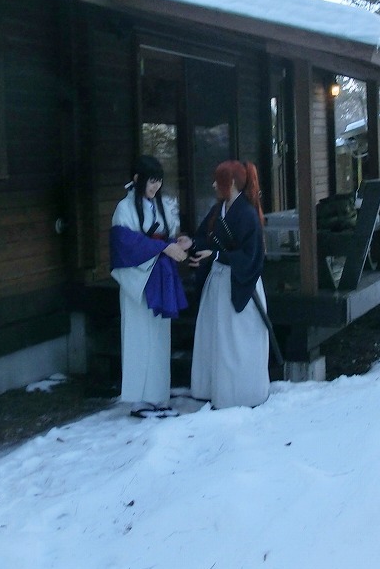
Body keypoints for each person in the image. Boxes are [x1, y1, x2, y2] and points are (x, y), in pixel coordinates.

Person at [109, 155, 192, 417]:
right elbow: (125, 245)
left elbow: (165, 236)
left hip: (159, 275)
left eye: (158, 182)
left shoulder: (161, 205)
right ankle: (139, 400)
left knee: (159, 336)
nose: (155, 187)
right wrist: (162, 247)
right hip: (139, 277)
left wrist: (178, 243)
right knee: (138, 336)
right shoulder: (124, 209)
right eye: (151, 181)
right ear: (137, 180)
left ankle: (158, 396)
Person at [189, 160, 270, 409]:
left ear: (232, 183)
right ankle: (215, 390)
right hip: (219, 284)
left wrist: (215, 256)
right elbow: (205, 237)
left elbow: (251, 256)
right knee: (216, 339)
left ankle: (242, 394)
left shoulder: (246, 214)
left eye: (219, 180)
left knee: (237, 341)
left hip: (239, 284)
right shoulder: (219, 210)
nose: (214, 184)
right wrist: (191, 244)